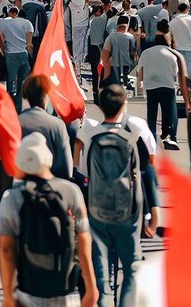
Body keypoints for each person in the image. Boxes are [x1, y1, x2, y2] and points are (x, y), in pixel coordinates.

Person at [0, 132, 98, 307]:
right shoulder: (72, 192)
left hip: (28, 292)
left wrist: (8, 294)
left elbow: (6, 249)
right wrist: (91, 288)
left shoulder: (11, 198)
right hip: (67, 292)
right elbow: (83, 241)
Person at [75, 85, 143, 307]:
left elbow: (83, 173)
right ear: (124, 105)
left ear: (100, 106)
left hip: (97, 210)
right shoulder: (132, 136)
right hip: (127, 211)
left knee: (101, 272)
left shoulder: (90, 135)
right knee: (131, 269)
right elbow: (140, 176)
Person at [136, 20, 189, 150]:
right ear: (168, 38)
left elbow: (139, 73)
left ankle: (151, 138)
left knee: (152, 115)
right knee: (170, 114)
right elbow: (181, 77)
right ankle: (170, 137)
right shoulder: (174, 54)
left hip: (151, 88)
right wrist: (187, 100)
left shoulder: (146, 52)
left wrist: (139, 87)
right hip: (168, 87)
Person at [19, 75, 73, 180]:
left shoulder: (15, 123)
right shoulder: (57, 125)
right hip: (52, 188)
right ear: (46, 96)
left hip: (22, 187)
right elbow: (67, 170)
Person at [0, 6, 33, 113]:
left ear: (10, 13)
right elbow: (29, 43)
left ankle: (9, 105)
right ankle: (18, 106)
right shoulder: (27, 23)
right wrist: (31, 55)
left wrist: (2, 47)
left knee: (10, 80)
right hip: (23, 54)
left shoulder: (3, 22)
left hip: (10, 54)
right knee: (21, 81)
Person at [100, 15, 136, 89]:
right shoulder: (130, 36)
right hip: (127, 61)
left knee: (116, 77)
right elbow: (132, 49)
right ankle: (125, 84)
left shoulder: (111, 36)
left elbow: (106, 50)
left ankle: (118, 86)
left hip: (114, 62)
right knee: (125, 74)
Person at [169, 0, 191, 75]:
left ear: (178, 9)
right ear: (188, 8)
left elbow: (168, 35)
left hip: (177, 51)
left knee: (179, 75)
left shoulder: (173, 22)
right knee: (188, 76)